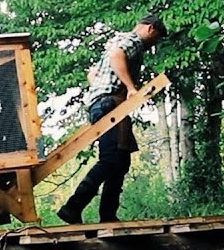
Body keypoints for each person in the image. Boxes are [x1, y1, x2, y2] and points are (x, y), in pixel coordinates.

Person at [56, 14, 167, 224]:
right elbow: (117, 56)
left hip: (104, 104)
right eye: (157, 38)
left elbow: (93, 73)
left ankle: (107, 215)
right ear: (151, 28)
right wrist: (131, 88)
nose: (154, 44)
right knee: (110, 159)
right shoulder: (133, 41)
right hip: (110, 105)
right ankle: (72, 208)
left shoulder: (116, 39)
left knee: (120, 160)